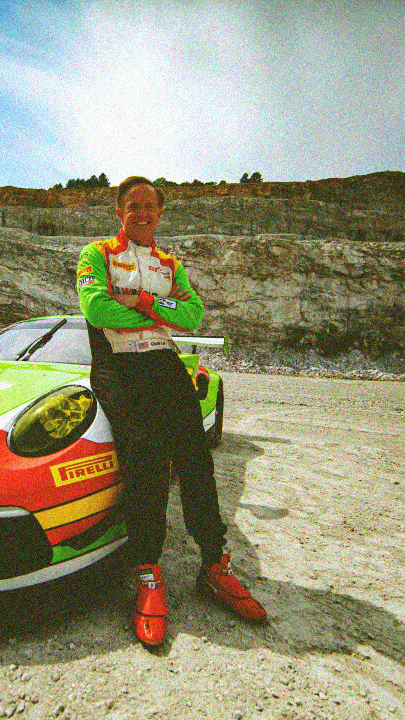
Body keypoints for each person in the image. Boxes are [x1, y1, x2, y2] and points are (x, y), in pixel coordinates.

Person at [76, 176, 266, 647]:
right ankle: (147, 575)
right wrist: (163, 310)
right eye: (132, 206)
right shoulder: (94, 254)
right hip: (117, 365)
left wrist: (140, 299)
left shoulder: (171, 264)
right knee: (145, 465)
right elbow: (97, 310)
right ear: (118, 212)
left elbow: (194, 316)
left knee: (197, 462)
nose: (141, 213)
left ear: (160, 213)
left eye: (149, 207)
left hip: (163, 363)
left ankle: (214, 564)